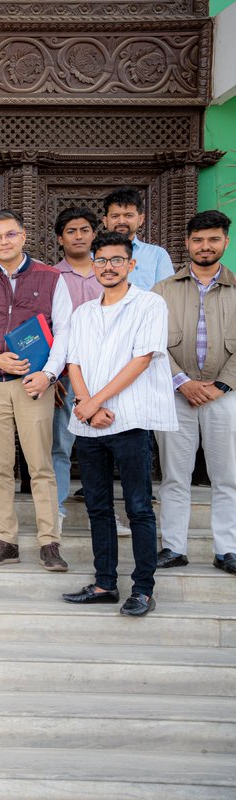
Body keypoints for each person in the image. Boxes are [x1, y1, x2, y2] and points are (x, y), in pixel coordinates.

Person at [61, 231, 176, 617]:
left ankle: (143, 588)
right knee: (97, 506)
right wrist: (86, 404)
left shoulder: (149, 304)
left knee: (139, 507)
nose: (108, 267)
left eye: (116, 260)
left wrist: (94, 402)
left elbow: (141, 360)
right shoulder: (83, 313)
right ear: (93, 266)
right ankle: (104, 583)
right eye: (101, 260)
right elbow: (73, 362)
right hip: (90, 424)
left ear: (131, 264)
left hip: (130, 420)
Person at [0, 210, 72, 572]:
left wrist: (50, 375)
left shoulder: (51, 277)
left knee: (40, 465)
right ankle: (6, 540)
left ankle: (49, 542)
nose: (3, 242)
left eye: (10, 235)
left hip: (33, 384)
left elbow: (66, 332)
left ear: (24, 237)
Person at [152, 210, 236, 576]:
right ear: (187, 243)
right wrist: (182, 382)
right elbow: (152, 345)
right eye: (198, 240)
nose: (205, 246)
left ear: (225, 242)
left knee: (227, 477)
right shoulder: (163, 290)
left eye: (213, 239)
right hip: (176, 395)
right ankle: (174, 547)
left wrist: (220, 385)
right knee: (174, 475)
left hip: (225, 395)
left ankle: (227, 549)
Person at [50, 207, 103, 522]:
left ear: (93, 234)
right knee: (60, 443)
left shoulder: (108, 272)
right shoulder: (51, 276)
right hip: (66, 375)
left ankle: (106, 512)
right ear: (60, 238)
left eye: (84, 230)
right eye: (71, 231)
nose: (79, 236)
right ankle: (55, 509)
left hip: (105, 374)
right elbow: (45, 326)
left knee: (104, 442)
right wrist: (52, 372)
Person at [101, 186, 174, 292]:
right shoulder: (92, 255)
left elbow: (167, 294)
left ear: (141, 219)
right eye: (115, 216)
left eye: (128, 215)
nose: (121, 221)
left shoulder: (157, 255)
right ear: (105, 221)